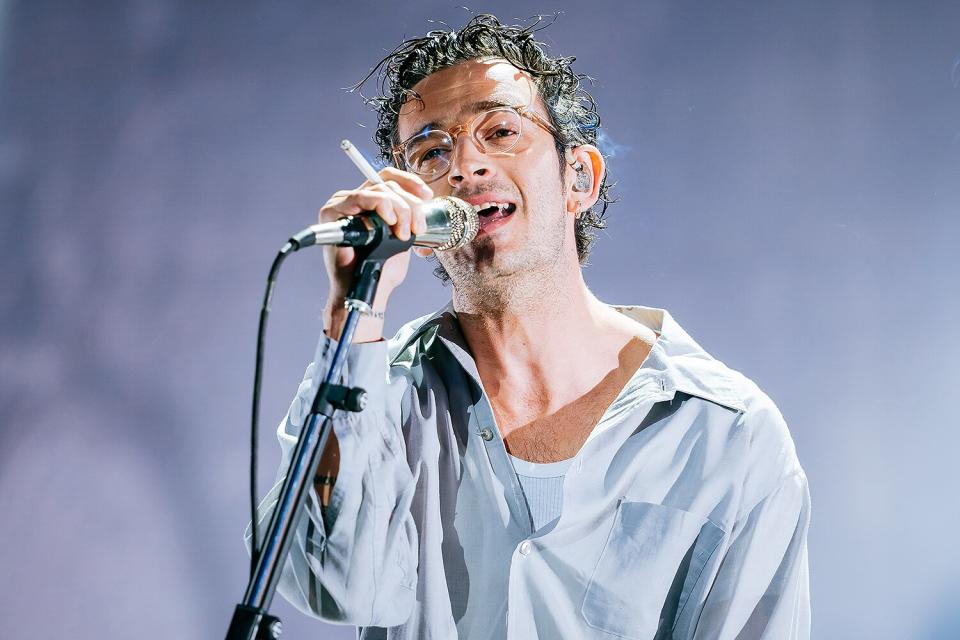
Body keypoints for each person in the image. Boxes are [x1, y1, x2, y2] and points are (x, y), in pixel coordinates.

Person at [248, 14, 810, 640]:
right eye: (431, 151)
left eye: (501, 131)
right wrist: (353, 317)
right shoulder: (382, 397)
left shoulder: (724, 432)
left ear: (580, 179)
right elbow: (333, 591)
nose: (465, 164)